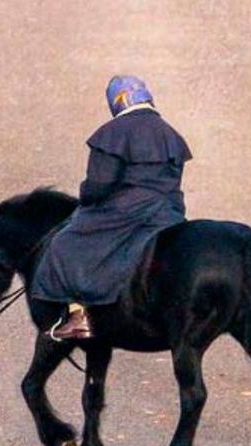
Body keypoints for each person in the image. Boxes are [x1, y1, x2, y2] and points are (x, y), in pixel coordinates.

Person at [31, 75, 191, 340]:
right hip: (169, 214)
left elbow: (99, 186)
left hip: (126, 212)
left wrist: (85, 194)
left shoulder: (113, 133)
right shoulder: (171, 134)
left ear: (116, 102)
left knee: (65, 243)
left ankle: (77, 316)